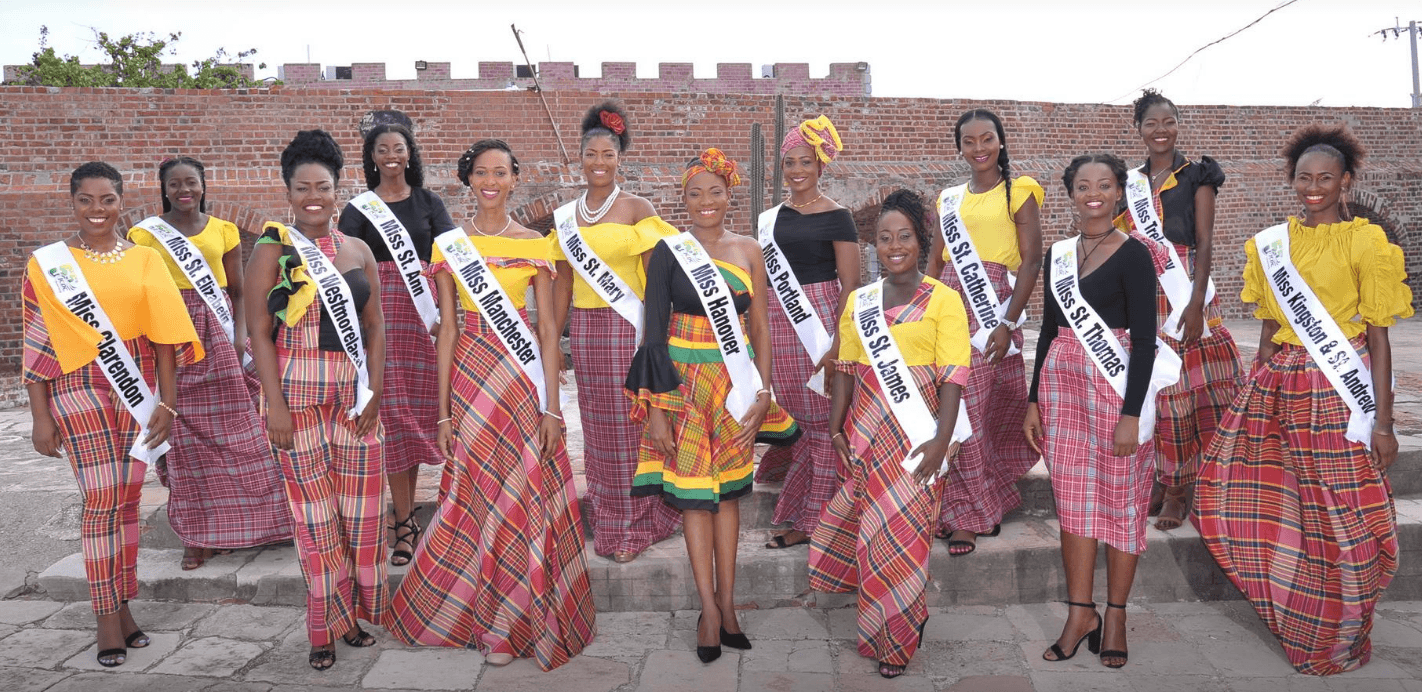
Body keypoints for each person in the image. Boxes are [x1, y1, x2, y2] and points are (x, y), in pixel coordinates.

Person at [1195, 124, 1410, 675]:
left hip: (1339, 393)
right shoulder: (1271, 244)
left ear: (1346, 182)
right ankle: (1308, 624)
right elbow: (1269, 330)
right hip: (1281, 385)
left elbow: (1380, 338)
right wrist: (1254, 389)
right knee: (1270, 501)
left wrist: (1383, 422)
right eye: (1304, 178)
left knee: (1346, 514)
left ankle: (1346, 633)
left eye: (1326, 179)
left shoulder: (1367, 243)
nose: (1313, 188)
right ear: (1292, 180)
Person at [388, 139, 595, 670]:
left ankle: (516, 620)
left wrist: (552, 407)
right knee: (476, 493)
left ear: (513, 179)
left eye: (501, 172)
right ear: (468, 178)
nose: (491, 181)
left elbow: (549, 331)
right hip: (470, 378)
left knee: (523, 491)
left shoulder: (537, 244)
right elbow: (448, 330)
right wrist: (441, 412)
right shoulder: (449, 245)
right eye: (481, 172)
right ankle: (483, 619)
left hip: (521, 381)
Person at [25, 162, 202, 667]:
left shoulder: (145, 259)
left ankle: (123, 608)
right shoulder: (48, 264)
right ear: (73, 203)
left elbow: (166, 337)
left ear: (122, 202)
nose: (97, 210)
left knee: (126, 499)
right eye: (86, 201)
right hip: (76, 386)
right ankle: (106, 616)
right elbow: (37, 342)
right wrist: (41, 415)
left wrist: (165, 403)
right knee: (102, 497)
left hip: (137, 387)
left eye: (107, 200)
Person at [627, 149, 800, 663]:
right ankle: (707, 610)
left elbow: (762, 327)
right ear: (684, 200)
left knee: (727, 496)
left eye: (715, 192)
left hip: (734, 386)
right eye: (695, 193)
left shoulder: (749, 248)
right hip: (681, 386)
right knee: (695, 497)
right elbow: (652, 329)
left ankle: (729, 605)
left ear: (730, 196)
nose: (706, 202)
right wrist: (656, 407)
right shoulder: (668, 251)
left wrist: (763, 391)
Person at [808, 189, 970, 679]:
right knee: (873, 538)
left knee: (909, 535)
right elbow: (847, 368)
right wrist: (836, 426)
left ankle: (899, 638)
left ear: (920, 241)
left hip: (920, 433)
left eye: (903, 236)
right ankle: (878, 628)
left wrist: (941, 441)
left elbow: (954, 375)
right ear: (873, 244)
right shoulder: (861, 301)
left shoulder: (944, 299)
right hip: (868, 431)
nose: (893, 245)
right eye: (883, 238)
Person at [246, 129, 387, 671]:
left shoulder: (356, 249)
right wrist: (273, 405)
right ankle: (322, 625)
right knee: (314, 520)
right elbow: (259, 332)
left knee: (358, 518)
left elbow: (374, 328)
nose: (314, 196)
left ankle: (350, 615)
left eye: (323, 186)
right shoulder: (271, 250)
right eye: (302, 187)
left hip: (353, 404)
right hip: (295, 404)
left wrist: (373, 390)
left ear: (337, 190)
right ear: (288, 193)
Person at [1026, 153, 1170, 670]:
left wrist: (1132, 413)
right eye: (1083, 186)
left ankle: (1116, 615)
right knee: (1074, 501)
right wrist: (1033, 399)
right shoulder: (1058, 254)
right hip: (1063, 387)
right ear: (1070, 194)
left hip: (1116, 391)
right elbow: (1046, 331)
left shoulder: (1135, 254)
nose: (1093, 193)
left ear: (1118, 193)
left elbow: (1149, 343)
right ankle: (1079, 612)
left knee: (1123, 503)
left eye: (1104, 185)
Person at [128, 156, 292, 571]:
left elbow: (238, 291)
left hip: (218, 335)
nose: (184, 190)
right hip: (168, 336)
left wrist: (241, 336)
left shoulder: (224, 230)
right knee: (182, 438)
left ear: (203, 186)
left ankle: (259, 525)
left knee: (242, 432)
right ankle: (196, 536)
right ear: (163, 189)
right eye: (175, 184)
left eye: (192, 183)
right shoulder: (144, 235)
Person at [550, 101, 680, 563]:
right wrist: (554, 341)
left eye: (608, 154)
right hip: (586, 333)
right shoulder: (566, 217)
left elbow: (657, 282)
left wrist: (655, 342)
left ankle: (640, 517)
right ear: (579, 160)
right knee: (599, 428)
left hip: (630, 331)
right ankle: (609, 515)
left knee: (634, 424)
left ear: (619, 157)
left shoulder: (636, 208)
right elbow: (563, 284)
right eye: (591, 155)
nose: (599, 163)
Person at [1112, 90, 1241, 531]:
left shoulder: (1197, 175)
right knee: (1157, 391)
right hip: (1145, 289)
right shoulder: (1127, 182)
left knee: (1189, 391)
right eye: (1151, 123)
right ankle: (1163, 478)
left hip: (1186, 285)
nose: (1161, 130)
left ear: (1178, 124)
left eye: (1169, 121)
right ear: (1139, 129)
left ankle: (1182, 489)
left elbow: (1204, 241)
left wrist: (1195, 305)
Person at [924, 109, 1042, 555]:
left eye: (987, 139)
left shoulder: (1019, 190)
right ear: (959, 147)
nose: (979, 148)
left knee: (978, 409)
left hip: (994, 306)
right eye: (969, 141)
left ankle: (970, 514)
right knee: (951, 403)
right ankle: (966, 504)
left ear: (1001, 142)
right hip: (950, 303)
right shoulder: (949, 199)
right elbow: (935, 263)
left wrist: (1007, 323)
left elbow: (1031, 260)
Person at [338, 123, 453, 566]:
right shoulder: (358, 209)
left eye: (398, 148)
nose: (390, 155)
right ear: (371, 157)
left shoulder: (429, 203)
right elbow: (343, 262)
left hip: (422, 323)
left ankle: (408, 517)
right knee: (389, 419)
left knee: (417, 417)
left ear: (409, 155)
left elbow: (449, 256)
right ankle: (403, 522)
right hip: (378, 322)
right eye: (382, 149)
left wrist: (446, 317)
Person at [759, 115, 861, 550]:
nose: (797, 171)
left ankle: (818, 518)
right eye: (789, 164)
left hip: (820, 321)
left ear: (820, 165)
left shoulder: (839, 216)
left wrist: (838, 343)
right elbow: (762, 276)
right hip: (777, 322)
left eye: (805, 162)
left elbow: (852, 285)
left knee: (824, 420)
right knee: (800, 420)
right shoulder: (771, 219)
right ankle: (809, 508)